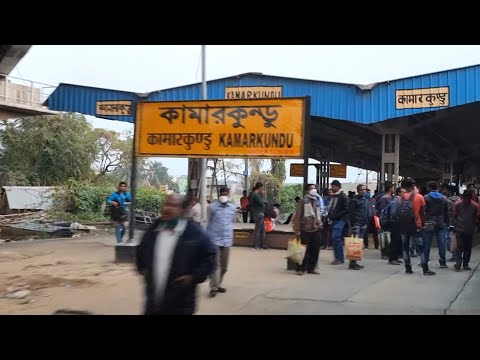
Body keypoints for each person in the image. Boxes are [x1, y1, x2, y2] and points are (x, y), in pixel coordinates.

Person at [135, 194, 216, 315]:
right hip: (153, 304)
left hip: (181, 304)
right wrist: (142, 268)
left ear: (182, 210)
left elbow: (210, 256)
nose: (167, 208)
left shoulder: (194, 233)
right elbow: (141, 249)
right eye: (166, 204)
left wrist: (194, 277)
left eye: (173, 205)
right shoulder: (153, 230)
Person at [397, 178, 435, 275]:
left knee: (405, 248)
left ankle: (408, 268)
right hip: (416, 226)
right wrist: (422, 224)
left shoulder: (401, 198)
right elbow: (422, 213)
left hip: (404, 226)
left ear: (404, 187)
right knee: (421, 249)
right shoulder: (419, 197)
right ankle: (425, 269)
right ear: (413, 186)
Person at [207, 187, 237, 298]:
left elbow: (231, 222)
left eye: (226, 193)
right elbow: (207, 222)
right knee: (215, 266)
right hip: (214, 240)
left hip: (227, 240)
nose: (224, 195)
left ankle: (218, 284)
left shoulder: (232, 208)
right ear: (219, 194)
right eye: (222, 193)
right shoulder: (211, 207)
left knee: (224, 267)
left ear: (228, 195)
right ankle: (213, 287)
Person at [292, 184, 322, 275]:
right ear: (307, 191)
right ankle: (300, 268)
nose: (314, 190)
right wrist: (297, 230)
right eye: (312, 188)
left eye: (315, 188)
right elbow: (297, 216)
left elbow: (318, 214)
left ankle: (311, 268)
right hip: (305, 229)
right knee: (303, 250)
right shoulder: (302, 202)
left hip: (315, 228)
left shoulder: (317, 201)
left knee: (315, 249)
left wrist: (319, 224)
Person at [423, 181, 450, 269]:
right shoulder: (444, 198)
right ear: (437, 187)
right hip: (441, 222)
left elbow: (423, 210)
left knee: (427, 243)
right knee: (442, 243)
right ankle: (442, 262)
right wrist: (446, 222)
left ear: (429, 188)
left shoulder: (426, 197)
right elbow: (447, 212)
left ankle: (425, 261)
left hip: (429, 222)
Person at [452, 190, 480, 271]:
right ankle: (459, 263)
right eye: (465, 198)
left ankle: (465, 264)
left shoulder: (475, 206)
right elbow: (454, 215)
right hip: (460, 228)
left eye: (468, 198)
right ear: (463, 197)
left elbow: (477, 217)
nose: (466, 200)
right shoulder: (458, 204)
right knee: (459, 247)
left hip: (468, 229)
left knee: (467, 248)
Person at [327, 180, 350, 265]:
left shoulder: (343, 197)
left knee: (336, 238)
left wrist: (336, 215)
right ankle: (338, 257)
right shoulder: (334, 197)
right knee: (335, 239)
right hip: (334, 220)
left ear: (337, 187)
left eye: (332, 187)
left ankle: (339, 258)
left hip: (340, 220)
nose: (331, 188)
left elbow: (346, 209)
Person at [347, 184, 368, 270]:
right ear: (358, 191)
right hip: (356, 224)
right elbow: (350, 213)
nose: (364, 191)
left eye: (365, 190)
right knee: (354, 244)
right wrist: (351, 225)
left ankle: (355, 261)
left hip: (363, 224)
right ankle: (352, 263)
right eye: (362, 190)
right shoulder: (354, 201)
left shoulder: (365, 200)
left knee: (358, 244)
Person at [250, 182, 267, 250]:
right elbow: (261, 203)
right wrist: (263, 195)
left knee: (262, 230)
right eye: (262, 188)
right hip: (258, 213)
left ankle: (261, 245)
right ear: (260, 188)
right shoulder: (255, 195)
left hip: (259, 213)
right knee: (258, 230)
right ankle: (257, 245)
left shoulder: (255, 194)